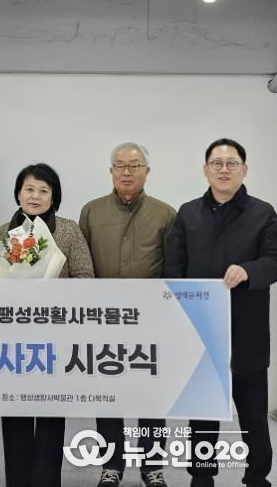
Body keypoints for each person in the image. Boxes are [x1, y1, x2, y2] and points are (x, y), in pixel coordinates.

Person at [165, 138, 277, 487]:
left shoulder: (264, 213)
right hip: (201, 331)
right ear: (206, 170)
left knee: (254, 415)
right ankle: (201, 477)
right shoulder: (187, 213)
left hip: (247, 330)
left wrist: (248, 271)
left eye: (232, 163)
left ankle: (257, 478)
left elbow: (274, 260)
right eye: (217, 163)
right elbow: (173, 269)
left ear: (244, 169)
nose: (224, 169)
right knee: (202, 415)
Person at [0, 163, 94, 487]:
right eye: (29, 189)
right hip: (12, 340)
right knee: (14, 414)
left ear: (53, 197)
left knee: (50, 416)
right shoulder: (1, 233)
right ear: (18, 194)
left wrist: (52, 293)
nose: (35, 196)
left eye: (43, 190)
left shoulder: (69, 230)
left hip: (54, 338)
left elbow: (85, 278)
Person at [79, 142, 176, 487]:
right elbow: (82, 266)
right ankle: (112, 466)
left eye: (134, 165)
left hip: (150, 322)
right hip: (103, 321)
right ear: (111, 171)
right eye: (119, 165)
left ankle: (152, 466)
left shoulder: (166, 214)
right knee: (108, 396)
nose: (126, 172)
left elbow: (173, 269)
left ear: (147, 171)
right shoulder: (91, 212)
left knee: (152, 396)